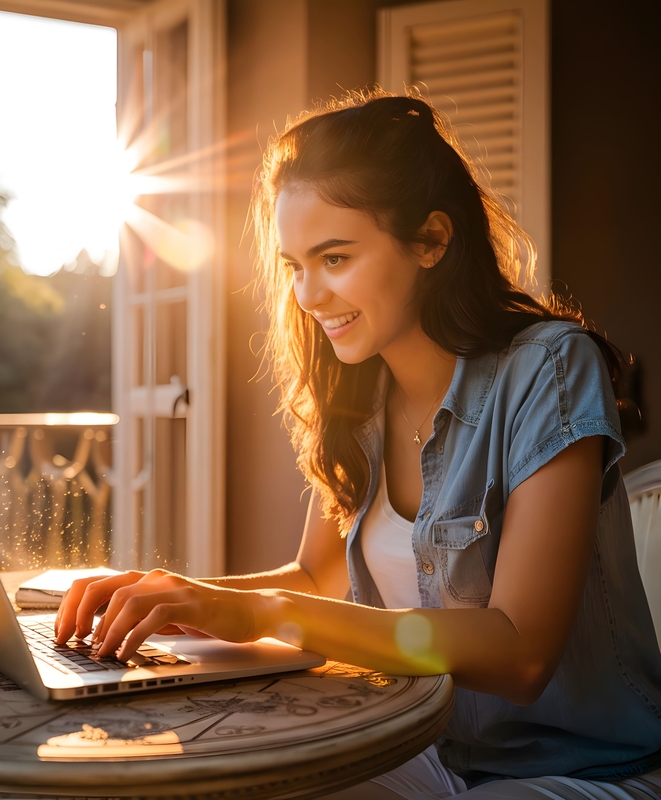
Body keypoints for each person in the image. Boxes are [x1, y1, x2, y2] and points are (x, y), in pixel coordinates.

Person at [55, 90, 661, 798]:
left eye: (334, 257)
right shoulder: (356, 397)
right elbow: (315, 580)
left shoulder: (551, 370)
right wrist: (172, 598)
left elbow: (520, 650)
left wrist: (260, 614)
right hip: (429, 750)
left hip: (578, 770)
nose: (309, 295)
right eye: (294, 265)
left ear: (433, 240)